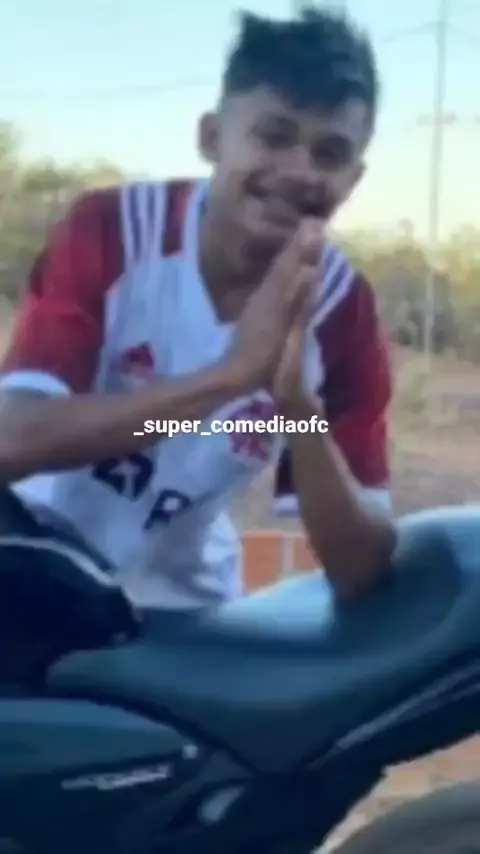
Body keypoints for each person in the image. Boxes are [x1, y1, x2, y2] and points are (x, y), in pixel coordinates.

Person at [0, 6, 395, 610]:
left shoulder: (343, 311)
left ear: (354, 179)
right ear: (212, 138)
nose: (299, 171)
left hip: (183, 608)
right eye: (274, 136)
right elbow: (13, 439)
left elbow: (361, 568)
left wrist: (300, 412)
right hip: (34, 558)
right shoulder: (114, 230)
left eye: (330, 153)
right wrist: (228, 378)